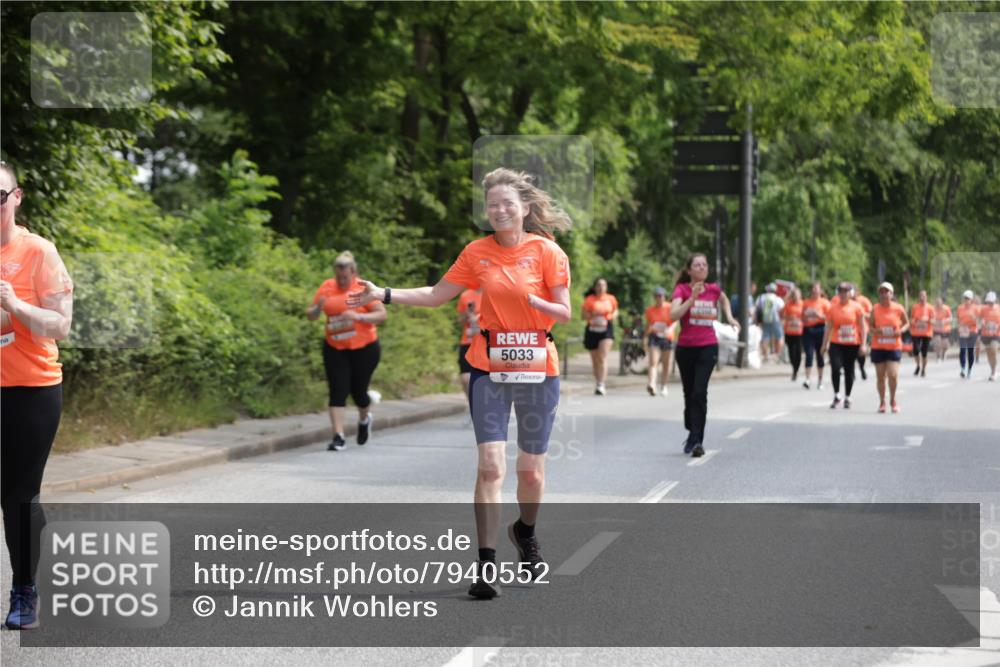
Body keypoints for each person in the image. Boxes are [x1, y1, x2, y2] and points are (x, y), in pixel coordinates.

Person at [348, 167, 571, 600]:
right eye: (492, 205)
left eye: (507, 203)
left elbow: (564, 312)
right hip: (487, 365)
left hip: (538, 367)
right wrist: (384, 293)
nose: (499, 210)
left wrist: (535, 302)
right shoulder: (476, 252)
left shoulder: (548, 252)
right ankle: (486, 567)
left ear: (525, 207)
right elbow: (436, 295)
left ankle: (525, 531)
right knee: (490, 466)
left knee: (530, 472)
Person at [0, 161, 74, 630]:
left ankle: (25, 588)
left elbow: (60, 325)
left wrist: (14, 304)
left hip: (30, 391)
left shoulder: (38, 252)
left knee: (18, 496)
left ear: (16, 197)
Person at [307, 251, 386, 451]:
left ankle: (364, 419)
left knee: (358, 392)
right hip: (335, 347)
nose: (341, 281)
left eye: (345, 277)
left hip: (365, 348)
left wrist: (358, 317)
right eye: (338, 277)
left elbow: (381, 315)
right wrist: (318, 309)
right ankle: (338, 436)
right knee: (338, 390)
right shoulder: (327, 287)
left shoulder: (362, 288)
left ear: (353, 273)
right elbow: (311, 315)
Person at [670, 253, 739, 458]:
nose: (702, 267)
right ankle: (691, 426)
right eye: (697, 265)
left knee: (699, 393)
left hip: (707, 346)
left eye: (704, 264)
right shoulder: (682, 290)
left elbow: (724, 299)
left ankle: (697, 440)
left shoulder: (713, 289)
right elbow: (673, 315)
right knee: (689, 393)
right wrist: (691, 298)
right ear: (689, 270)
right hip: (685, 348)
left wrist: (730, 317)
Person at [821, 282, 867, 409]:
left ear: (850, 293)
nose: (843, 294)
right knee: (835, 367)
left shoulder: (857, 307)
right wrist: (824, 344)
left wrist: (863, 344)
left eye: (846, 291)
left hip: (852, 343)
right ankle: (837, 394)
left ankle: (848, 396)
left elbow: (862, 327)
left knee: (849, 370)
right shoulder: (833, 308)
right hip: (836, 343)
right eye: (841, 291)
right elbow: (828, 327)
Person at [870, 282, 909, 413]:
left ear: (891, 294)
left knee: (893, 375)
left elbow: (907, 323)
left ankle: (893, 399)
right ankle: (882, 402)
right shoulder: (875, 309)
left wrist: (901, 331)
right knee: (880, 376)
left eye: (886, 292)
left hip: (894, 346)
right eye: (881, 292)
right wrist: (876, 331)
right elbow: (871, 326)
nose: (884, 294)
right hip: (878, 346)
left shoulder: (898, 308)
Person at [582, 278, 618, 395]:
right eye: (598, 285)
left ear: (606, 287)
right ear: (595, 287)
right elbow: (583, 316)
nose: (601, 287)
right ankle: (598, 381)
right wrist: (592, 315)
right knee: (595, 359)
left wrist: (611, 316)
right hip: (592, 330)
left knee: (602, 356)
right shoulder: (589, 300)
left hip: (606, 329)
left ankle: (601, 384)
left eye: (603, 285)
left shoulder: (611, 299)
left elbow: (615, 311)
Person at [456, 288, 483, 418]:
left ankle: (485, 405)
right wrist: (467, 315)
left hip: (486, 342)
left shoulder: (495, 292)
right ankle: (472, 403)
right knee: (466, 378)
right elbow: (460, 320)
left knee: (486, 377)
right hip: (468, 341)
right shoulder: (466, 295)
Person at [644, 286, 675, 396]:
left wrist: (670, 329)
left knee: (666, 363)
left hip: (667, 337)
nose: (659, 298)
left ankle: (664, 385)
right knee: (653, 361)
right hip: (655, 336)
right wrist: (646, 335)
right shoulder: (650, 310)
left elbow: (675, 320)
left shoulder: (670, 307)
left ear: (664, 297)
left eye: (661, 296)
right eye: (657, 296)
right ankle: (652, 384)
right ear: (654, 297)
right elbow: (649, 324)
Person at [801, 282, 830, 390]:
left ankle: (820, 380)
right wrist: (806, 316)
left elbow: (829, 319)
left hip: (820, 329)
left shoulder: (825, 303)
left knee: (820, 355)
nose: (814, 291)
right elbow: (802, 318)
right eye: (813, 289)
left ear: (820, 291)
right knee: (808, 354)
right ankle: (807, 379)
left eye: (816, 289)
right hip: (808, 330)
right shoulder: (806, 302)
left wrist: (818, 315)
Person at [782, 287, 805, 382]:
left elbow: (806, 316)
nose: (795, 297)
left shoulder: (803, 304)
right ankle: (794, 369)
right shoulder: (788, 304)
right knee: (791, 353)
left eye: (797, 295)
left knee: (798, 353)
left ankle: (796, 370)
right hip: (789, 332)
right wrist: (789, 317)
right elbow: (782, 315)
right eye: (794, 295)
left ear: (800, 295)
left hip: (800, 332)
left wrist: (800, 318)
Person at [758, 283, 785, 363]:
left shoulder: (761, 297)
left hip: (765, 319)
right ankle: (777, 355)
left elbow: (758, 309)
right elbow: (782, 310)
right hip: (776, 320)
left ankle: (766, 356)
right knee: (780, 336)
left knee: (765, 337)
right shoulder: (777, 299)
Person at [909, 290, 933, 377]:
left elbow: (934, 320)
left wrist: (927, 320)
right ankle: (918, 365)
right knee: (915, 350)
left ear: (926, 297)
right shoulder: (915, 307)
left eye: (924, 296)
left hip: (926, 333)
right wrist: (915, 322)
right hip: (916, 332)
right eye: (921, 296)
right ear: (919, 297)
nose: (922, 298)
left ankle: (923, 369)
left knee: (924, 352)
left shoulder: (930, 308)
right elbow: (911, 319)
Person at [956, 290, 979, 379]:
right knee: (962, 350)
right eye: (965, 298)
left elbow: (979, 321)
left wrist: (974, 318)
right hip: (963, 331)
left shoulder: (976, 308)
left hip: (972, 331)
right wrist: (959, 327)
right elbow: (958, 319)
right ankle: (962, 368)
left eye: (968, 298)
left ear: (971, 299)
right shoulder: (960, 308)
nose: (966, 300)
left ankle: (969, 369)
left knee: (970, 351)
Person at [852, 288, 873, 381]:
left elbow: (871, 315)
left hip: (863, 330)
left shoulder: (864, 301)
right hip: (851, 332)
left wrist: (863, 315)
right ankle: (851, 371)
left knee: (861, 352)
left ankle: (861, 367)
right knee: (850, 352)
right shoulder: (846, 302)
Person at [980, 291, 999, 381]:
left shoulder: (999, 308)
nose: (990, 303)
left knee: (994, 350)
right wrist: (983, 323)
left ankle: (994, 372)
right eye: (988, 302)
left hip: (996, 334)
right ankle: (992, 370)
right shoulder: (984, 309)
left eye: (991, 302)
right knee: (989, 353)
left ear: (995, 300)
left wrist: (997, 326)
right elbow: (980, 319)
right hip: (986, 334)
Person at [933, 296, 953, 363]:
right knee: (937, 343)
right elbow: (931, 317)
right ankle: (938, 356)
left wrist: (944, 321)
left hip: (945, 329)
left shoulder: (946, 308)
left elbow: (951, 318)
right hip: (936, 329)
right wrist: (933, 321)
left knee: (945, 345)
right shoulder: (933, 309)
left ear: (942, 302)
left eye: (939, 302)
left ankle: (943, 353)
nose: (938, 303)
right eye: (937, 302)